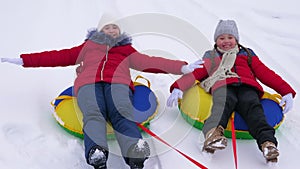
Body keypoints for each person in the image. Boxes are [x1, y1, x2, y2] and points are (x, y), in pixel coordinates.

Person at [1, 14, 203, 169]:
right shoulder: (88, 47)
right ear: (99, 30)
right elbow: (58, 56)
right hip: (88, 85)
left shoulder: (127, 51)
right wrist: (24, 60)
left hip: (118, 86)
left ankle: (135, 151)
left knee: (122, 113)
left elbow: (150, 62)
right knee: (93, 113)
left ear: (120, 32)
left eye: (115, 27)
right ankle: (96, 152)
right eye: (107, 27)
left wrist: (182, 67)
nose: (111, 30)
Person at [167, 20, 296, 163]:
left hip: (247, 87)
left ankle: (268, 143)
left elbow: (265, 73)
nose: (226, 41)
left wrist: (285, 91)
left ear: (236, 39)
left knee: (254, 108)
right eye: (222, 38)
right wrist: (178, 86)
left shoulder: (246, 54)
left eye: (230, 37)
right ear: (216, 41)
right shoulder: (211, 56)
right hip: (222, 86)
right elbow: (198, 72)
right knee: (223, 104)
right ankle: (213, 136)